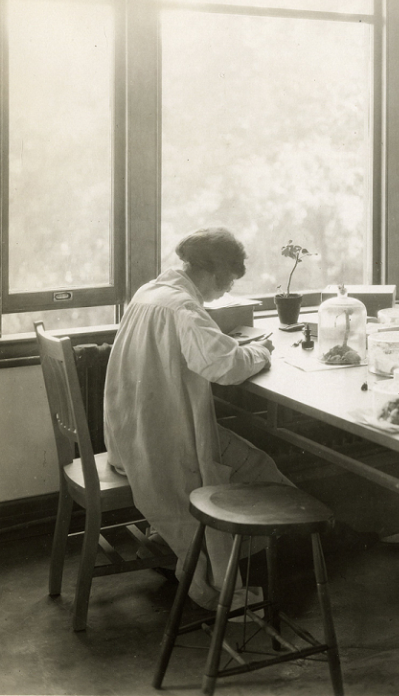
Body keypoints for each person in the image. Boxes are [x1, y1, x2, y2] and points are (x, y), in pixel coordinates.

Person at [103, 228, 291, 610]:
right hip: (162, 442)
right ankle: (226, 579)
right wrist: (261, 351)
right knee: (259, 473)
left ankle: (172, 543)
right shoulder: (184, 308)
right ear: (217, 272)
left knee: (249, 459)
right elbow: (225, 366)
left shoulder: (150, 292)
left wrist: (233, 347)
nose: (227, 290)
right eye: (229, 281)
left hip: (128, 435)